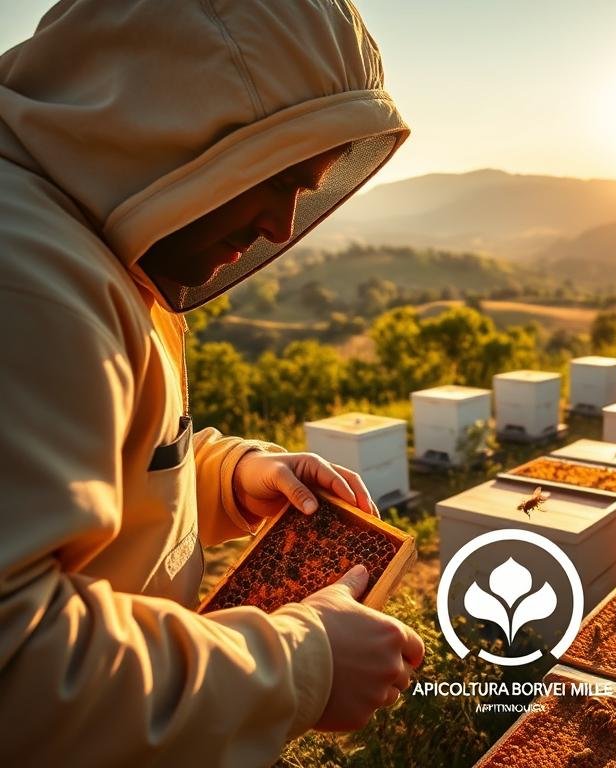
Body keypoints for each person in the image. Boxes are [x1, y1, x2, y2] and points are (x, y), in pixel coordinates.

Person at [0, 1, 424, 765]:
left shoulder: (80, 246)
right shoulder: (22, 277)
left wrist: (230, 479)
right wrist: (302, 666)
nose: (282, 229)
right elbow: (18, 672)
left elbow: (97, 473)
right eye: (278, 177)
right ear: (173, 120)